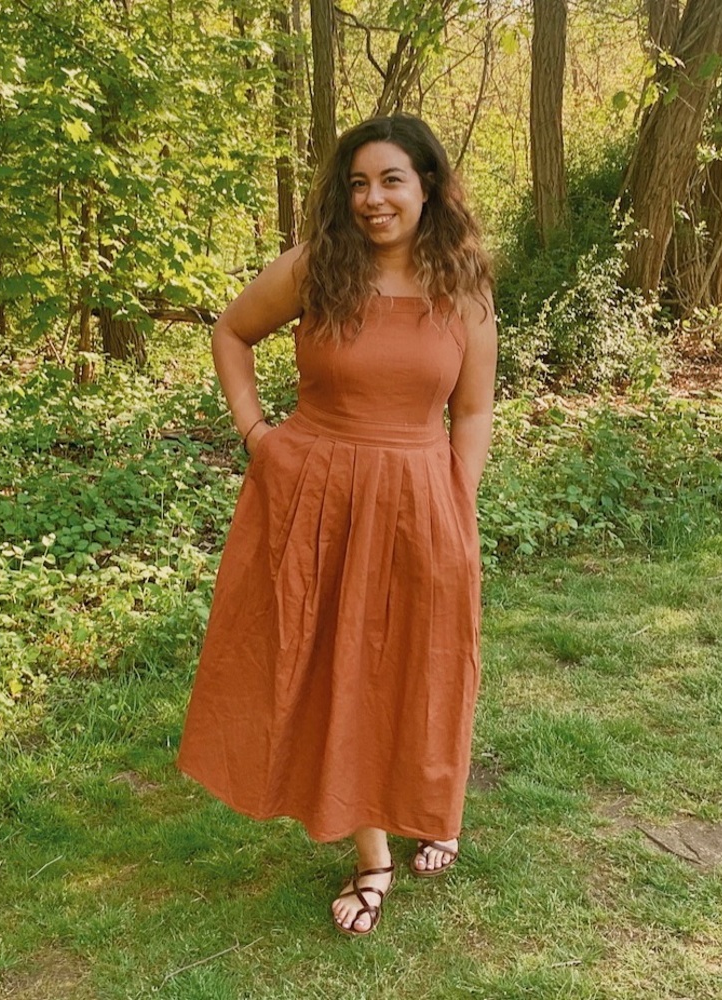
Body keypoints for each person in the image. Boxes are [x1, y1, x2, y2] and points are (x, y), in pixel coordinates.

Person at [177, 114, 497, 937]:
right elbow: (232, 332)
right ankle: (373, 855)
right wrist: (257, 435)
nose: (372, 199)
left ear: (428, 186)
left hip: (420, 497)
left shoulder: (463, 287)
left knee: (422, 666)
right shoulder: (319, 268)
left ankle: (436, 806)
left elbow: (473, 410)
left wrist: (457, 505)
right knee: (338, 667)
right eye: (358, 183)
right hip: (318, 495)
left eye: (391, 180)